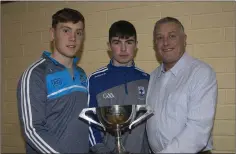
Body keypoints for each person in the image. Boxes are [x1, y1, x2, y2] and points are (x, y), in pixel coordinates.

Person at [16, 8, 89, 153]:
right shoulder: (35, 74)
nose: (73, 38)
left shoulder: (82, 74)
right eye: (66, 30)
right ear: (52, 33)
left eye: (78, 32)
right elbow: (32, 129)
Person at [146, 16, 218, 153]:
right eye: (160, 38)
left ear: (184, 39)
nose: (165, 43)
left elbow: (198, 131)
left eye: (172, 36)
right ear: (155, 43)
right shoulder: (154, 76)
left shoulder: (201, 73)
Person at [88, 20, 150, 153]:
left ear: (136, 45)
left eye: (129, 42)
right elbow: (90, 123)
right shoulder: (95, 80)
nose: (123, 49)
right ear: (109, 46)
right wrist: (101, 150)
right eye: (117, 42)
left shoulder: (147, 79)